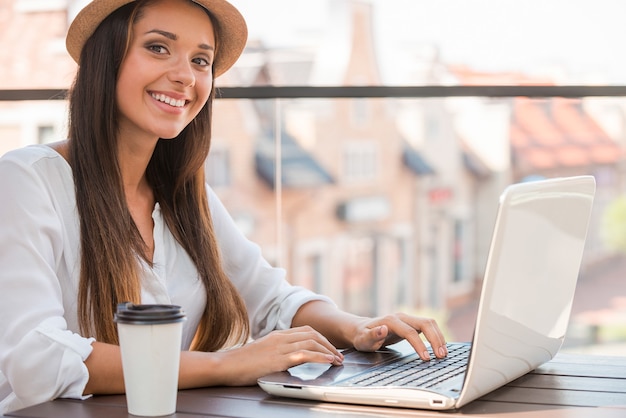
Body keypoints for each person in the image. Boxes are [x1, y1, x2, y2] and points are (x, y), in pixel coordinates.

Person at [0, 0, 448, 414]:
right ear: (106, 59)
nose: (186, 76)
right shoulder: (27, 180)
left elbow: (271, 298)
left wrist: (358, 327)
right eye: (158, 48)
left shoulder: (185, 196)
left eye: (201, 60)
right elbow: (37, 359)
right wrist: (227, 364)